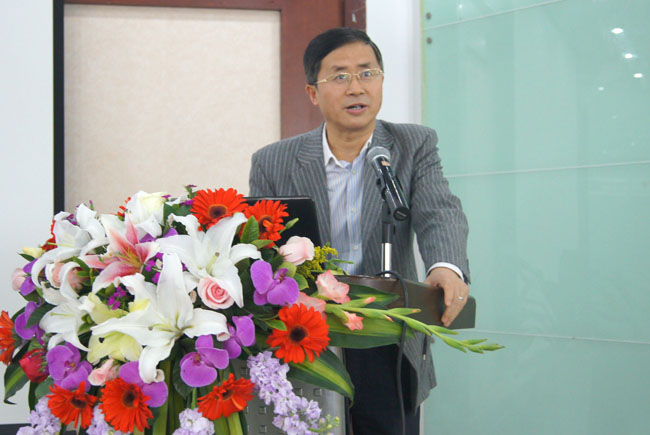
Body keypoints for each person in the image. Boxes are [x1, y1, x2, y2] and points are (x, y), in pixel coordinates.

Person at [249, 27, 470, 435]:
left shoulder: (412, 145)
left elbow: (440, 211)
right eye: (340, 76)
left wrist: (446, 265)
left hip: (384, 329)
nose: (356, 87)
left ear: (381, 80)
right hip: (306, 332)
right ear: (313, 93)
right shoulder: (273, 161)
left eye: (367, 73)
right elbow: (261, 246)